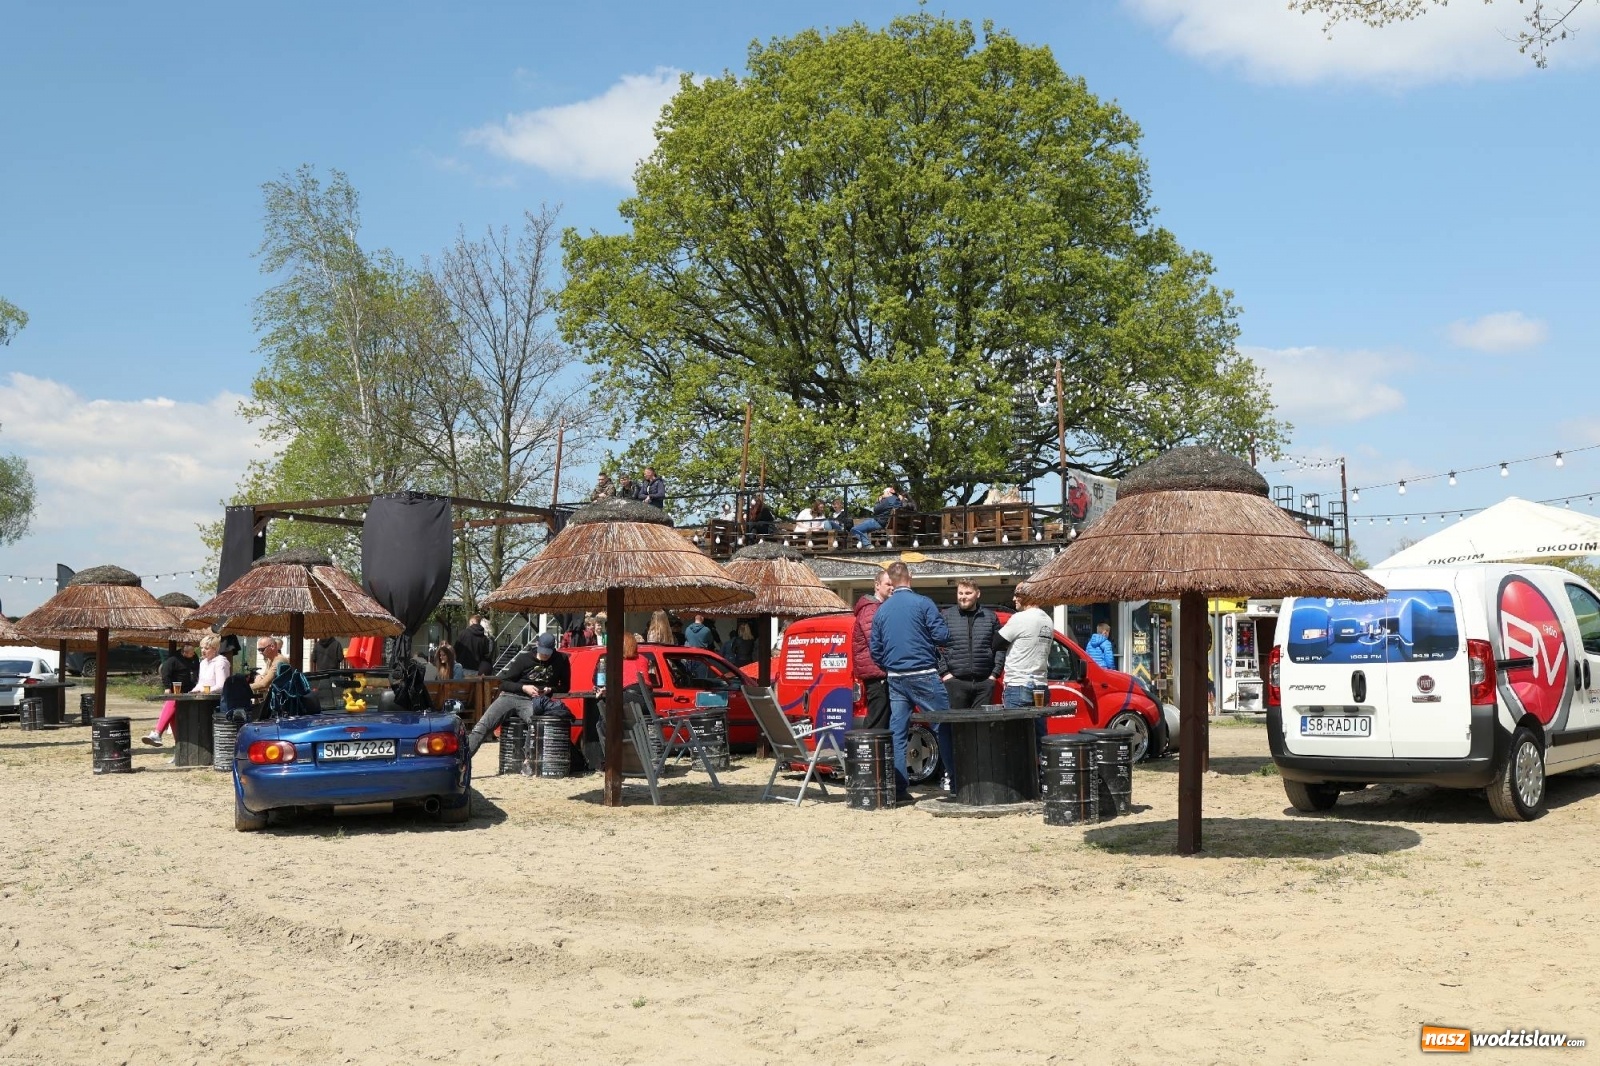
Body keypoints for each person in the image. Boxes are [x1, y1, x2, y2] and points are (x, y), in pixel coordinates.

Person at [868, 562, 950, 800]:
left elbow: (875, 650)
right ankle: (956, 781)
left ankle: (900, 790)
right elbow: (941, 636)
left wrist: (890, 665)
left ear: (891, 581)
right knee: (946, 725)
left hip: (895, 677)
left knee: (898, 732)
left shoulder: (881, 610)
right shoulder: (923, 603)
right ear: (910, 577)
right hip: (923, 672)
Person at [936, 581, 1008, 786]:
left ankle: (980, 779)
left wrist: (994, 675)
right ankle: (954, 779)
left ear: (977, 593)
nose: (963, 597)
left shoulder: (990, 617)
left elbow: (1000, 648)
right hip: (955, 683)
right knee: (956, 733)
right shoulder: (946, 616)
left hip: (984, 684)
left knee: (981, 734)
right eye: (960, 593)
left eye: (967, 593)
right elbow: (934, 647)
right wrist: (945, 674)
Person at [465, 633, 571, 758]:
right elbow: (504, 683)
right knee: (484, 725)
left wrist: (550, 689)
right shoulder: (523, 659)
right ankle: (463, 759)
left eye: (548, 653)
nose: (545, 656)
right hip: (511, 696)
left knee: (536, 723)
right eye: (542, 652)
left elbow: (565, 686)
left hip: (535, 700)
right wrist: (523, 687)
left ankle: (529, 761)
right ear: (537, 645)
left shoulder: (561, 660)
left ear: (554, 649)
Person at [852, 568, 895, 731]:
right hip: (876, 672)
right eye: (888, 584)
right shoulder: (871, 609)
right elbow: (876, 643)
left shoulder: (880, 607)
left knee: (882, 717)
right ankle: (868, 752)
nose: (892, 588)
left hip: (878, 670)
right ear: (877, 585)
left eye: (893, 585)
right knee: (877, 719)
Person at [142, 644, 199, 746]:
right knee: (172, 706)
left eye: (193, 652)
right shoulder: (173, 659)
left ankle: (159, 734)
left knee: (172, 710)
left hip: (191, 690)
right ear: (184, 653)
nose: (193, 654)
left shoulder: (195, 658)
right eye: (190, 653)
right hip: (176, 689)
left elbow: (196, 672)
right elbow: (165, 672)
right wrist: (167, 687)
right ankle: (176, 744)